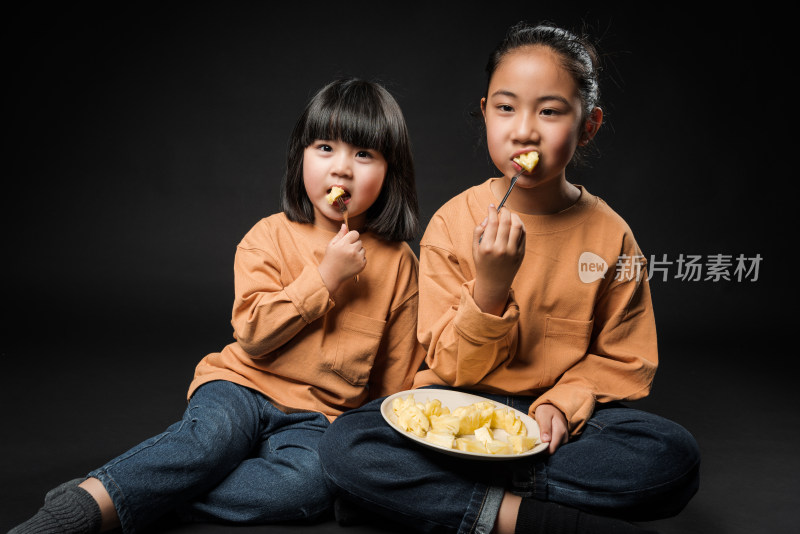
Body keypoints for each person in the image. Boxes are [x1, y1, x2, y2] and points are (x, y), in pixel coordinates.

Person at [318, 22, 700, 534]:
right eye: (506, 107)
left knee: (671, 457)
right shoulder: (453, 223)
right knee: (348, 444)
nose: (524, 129)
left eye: (550, 110)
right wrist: (491, 286)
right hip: (459, 410)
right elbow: (451, 370)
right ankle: (519, 516)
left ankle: (422, 496)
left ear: (588, 125)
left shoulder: (611, 235)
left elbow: (624, 360)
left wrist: (563, 405)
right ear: (485, 113)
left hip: (556, 428)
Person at [12, 77, 426, 534]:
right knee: (206, 445)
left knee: (307, 489)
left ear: (391, 171)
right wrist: (325, 278)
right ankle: (82, 510)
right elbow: (253, 332)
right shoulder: (266, 237)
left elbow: (395, 383)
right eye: (325, 148)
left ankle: (137, 495)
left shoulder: (400, 263)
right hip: (241, 386)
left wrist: (369, 463)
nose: (341, 169)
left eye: (363, 154)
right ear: (300, 157)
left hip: (318, 418)